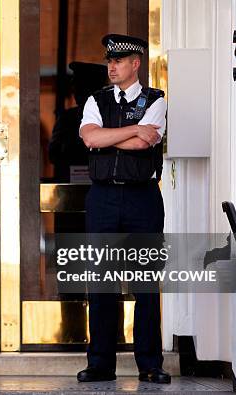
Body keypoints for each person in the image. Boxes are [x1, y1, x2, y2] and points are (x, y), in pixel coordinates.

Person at [76, 34, 170, 384]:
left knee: (146, 282)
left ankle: (150, 364)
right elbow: (90, 138)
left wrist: (110, 136)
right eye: (109, 61)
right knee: (101, 282)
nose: (111, 66)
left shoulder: (156, 100)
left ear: (136, 64)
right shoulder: (95, 100)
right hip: (102, 198)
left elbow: (148, 140)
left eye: (119, 60)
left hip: (142, 197)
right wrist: (131, 131)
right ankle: (100, 363)